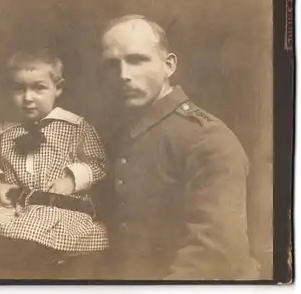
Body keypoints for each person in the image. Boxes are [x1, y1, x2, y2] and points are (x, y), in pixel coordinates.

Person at [98, 14, 260, 280]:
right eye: (112, 64)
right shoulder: (118, 136)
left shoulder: (208, 139)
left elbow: (214, 254)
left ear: (169, 65)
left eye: (138, 60)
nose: (124, 75)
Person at [0, 49, 109, 279]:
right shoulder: (2, 130)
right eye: (19, 88)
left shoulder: (75, 127)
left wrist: (72, 179)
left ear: (58, 88)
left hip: (61, 212)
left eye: (39, 88)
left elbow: (99, 164)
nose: (28, 98)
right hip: (15, 211)